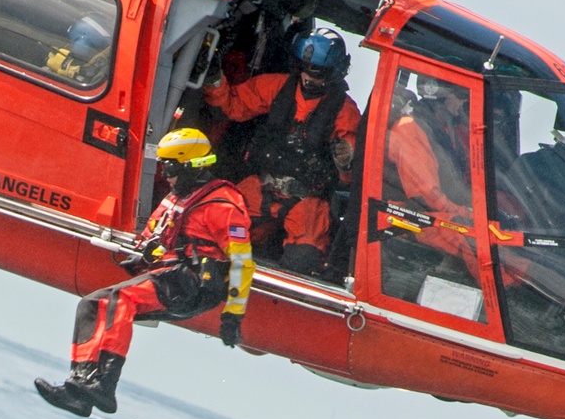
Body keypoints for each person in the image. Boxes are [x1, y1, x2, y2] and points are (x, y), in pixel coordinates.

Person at [34, 128, 254, 417]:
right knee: (90, 304)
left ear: (191, 166)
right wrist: (149, 252)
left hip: (195, 284)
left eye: (171, 167)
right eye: (163, 166)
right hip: (169, 276)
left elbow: (243, 262)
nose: (166, 174)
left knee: (119, 300)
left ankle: (104, 384)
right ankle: (80, 385)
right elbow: (153, 239)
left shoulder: (223, 204)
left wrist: (232, 314)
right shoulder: (174, 199)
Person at [203, 27, 361, 275]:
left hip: (307, 200)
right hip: (259, 187)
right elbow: (233, 105)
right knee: (214, 230)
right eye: (307, 69)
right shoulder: (277, 86)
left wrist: (345, 162)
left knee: (305, 258)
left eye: (319, 73)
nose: (311, 78)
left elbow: (351, 174)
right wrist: (214, 80)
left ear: (335, 73)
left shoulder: (345, 111)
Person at [384, 74, 478, 278]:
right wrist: (467, 213)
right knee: (474, 242)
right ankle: (515, 299)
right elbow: (426, 194)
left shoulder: (442, 130)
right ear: (439, 93)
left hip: (430, 216)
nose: (464, 101)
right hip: (406, 217)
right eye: (460, 94)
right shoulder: (410, 128)